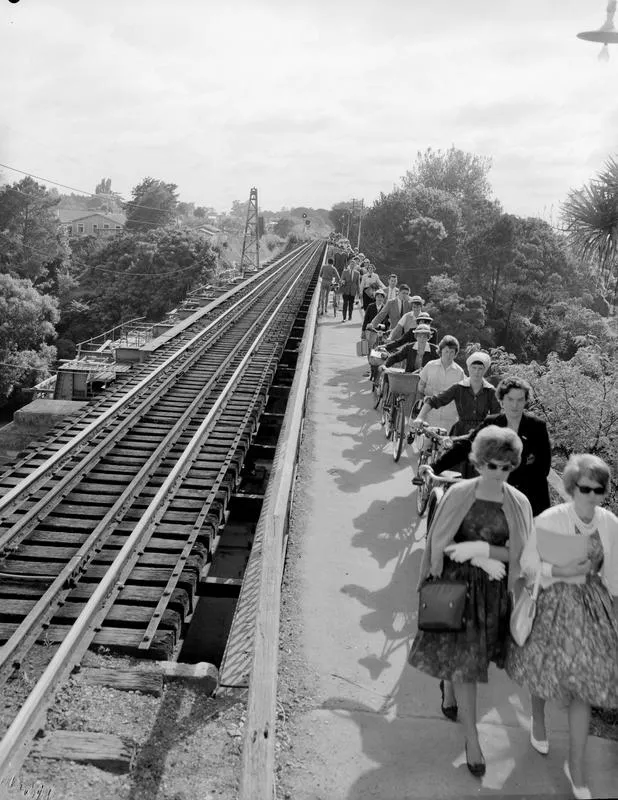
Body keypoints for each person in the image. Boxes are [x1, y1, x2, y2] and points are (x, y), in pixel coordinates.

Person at [409, 426, 533, 777]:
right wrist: (467, 555)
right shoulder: (459, 494)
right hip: (456, 584)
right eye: (492, 465)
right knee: (465, 661)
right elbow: (439, 543)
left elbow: (521, 553)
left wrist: (482, 550)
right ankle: (473, 739)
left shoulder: (518, 502)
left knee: (469, 659)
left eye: (506, 467)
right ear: (479, 462)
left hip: (493, 591)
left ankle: (448, 692)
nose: (498, 473)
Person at [507, 454, 618, 799]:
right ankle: (538, 720)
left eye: (599, 490)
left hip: (590, 607)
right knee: (544, 671)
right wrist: (561, 572)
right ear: (571, 488)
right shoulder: (552, 518)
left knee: (584, 685)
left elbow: (612, 574)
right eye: (585, 488)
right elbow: (528, 564)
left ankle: (578, 767)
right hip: (552, 601)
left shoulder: (610, 523)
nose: (592, 495)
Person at [433, 376, 551, 516]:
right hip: (495, 497)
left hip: (529, 501)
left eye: (520, 400)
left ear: (525, 401)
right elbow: (466, 446)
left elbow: (543, 468)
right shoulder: (492, 423)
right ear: (501, 401)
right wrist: (435, 467)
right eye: (510, 399)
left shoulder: (537, 426)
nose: (515, 405)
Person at [414, 352, 500, 437]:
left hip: (481, 435)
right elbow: (435, 400)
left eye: (480, 368)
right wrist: (420, 417)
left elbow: (496, 416)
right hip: (459, 433)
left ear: (485, 370)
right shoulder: (458, 387)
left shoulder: (491, 391)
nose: (476, 372)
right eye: (474, 368)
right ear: (468, 368)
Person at [414, 336, 465, 433]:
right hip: (429, 414)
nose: (448, 355)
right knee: (425, 445)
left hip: (449, 418)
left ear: (455, 354)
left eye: (452, 352)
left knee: (445, 446)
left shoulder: (460, 372)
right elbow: (420, 385)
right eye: (446, 351)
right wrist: (425, 393)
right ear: (440, 351)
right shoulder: (430, 366)